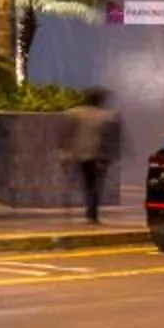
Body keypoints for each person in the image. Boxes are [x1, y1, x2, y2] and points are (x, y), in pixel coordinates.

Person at [62, 87, 122, 225]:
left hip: (81, 154)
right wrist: (113, 154)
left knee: (86, 183)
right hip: (100, 156)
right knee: (96, 185)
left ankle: (87, 210)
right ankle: (92, 212)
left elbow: (66, 134)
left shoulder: (74, 113)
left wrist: (65, 152)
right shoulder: (109, 116)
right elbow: (113, 138)